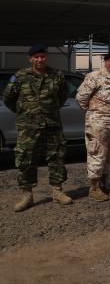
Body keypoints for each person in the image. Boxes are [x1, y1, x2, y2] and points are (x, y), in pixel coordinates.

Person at [3, 45, 72, 212]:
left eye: (42, 56)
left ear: (46, 57)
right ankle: (27, 195)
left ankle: (57, 191)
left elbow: (62, 96)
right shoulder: (20, 76)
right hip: (28, 127)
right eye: (36, 57)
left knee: (56, 157)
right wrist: (24, 112)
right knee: (26, 159)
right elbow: (8, 98)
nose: (40, 60)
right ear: (30, 59)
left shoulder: (57, 75)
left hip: (52, 124)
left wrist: (50, 110)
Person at [76, 50, 110, 201]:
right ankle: (93, 188)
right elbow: (81, 98)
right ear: (105, 61)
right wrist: (95, 114)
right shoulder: (95, 77)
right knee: (97, 154)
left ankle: (104, 184)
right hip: (98, 124)